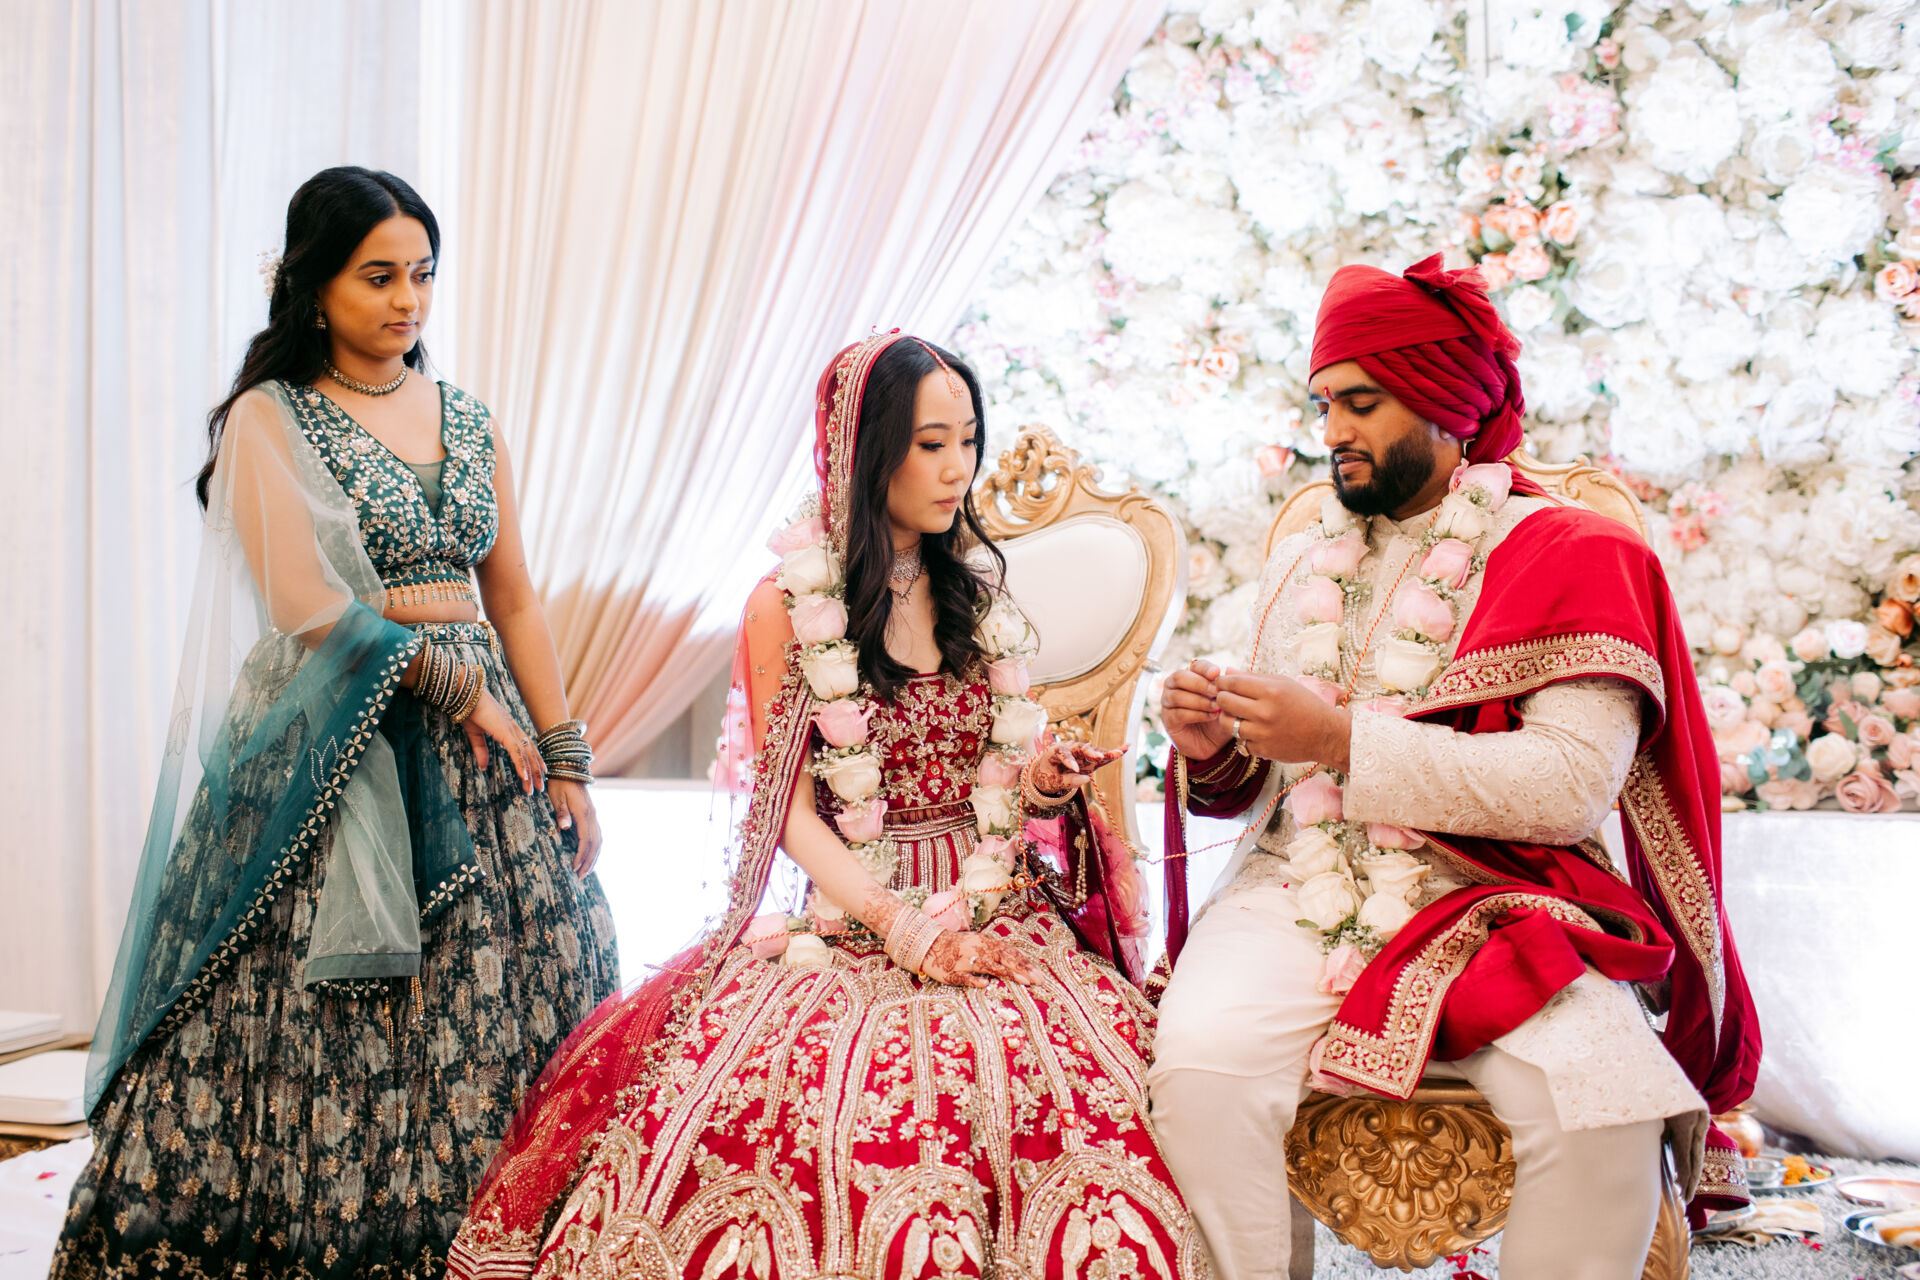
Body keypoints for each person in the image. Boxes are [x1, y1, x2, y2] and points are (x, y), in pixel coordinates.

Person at [448, 332, 1202, 1279]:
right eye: (932, 444)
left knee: (1094, 1104)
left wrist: (1044, 780)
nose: (959, 469)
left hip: (992, 912)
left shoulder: (973, 590)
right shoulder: (787, 605)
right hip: (851, 916)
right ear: (866, 449)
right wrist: (904, 929)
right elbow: (791, 814)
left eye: (968, 440)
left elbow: (994, 771)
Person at [52, 167, 619, 1279]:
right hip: (338, 731)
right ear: (315, 286)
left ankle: (516, 1237)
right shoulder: (271, 417)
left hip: (488, 742)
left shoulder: (468, 418)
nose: (408, 299)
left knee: (522, 980)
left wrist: (563, 755)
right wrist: (456, 691)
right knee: (341, 1013)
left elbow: (513, 597)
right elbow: (303, 602)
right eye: (378, 276)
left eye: (422, 274)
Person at [1147, 256, 1761, 1280]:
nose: (1334, 429)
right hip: (1293, 891)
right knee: (1202, 1071)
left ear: (1446, 404)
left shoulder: (1574, 553)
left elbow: (1567, 788)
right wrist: (1213, 744)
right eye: (1325, 404)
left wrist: (1342, 738)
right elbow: (1263, 786)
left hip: (1498, 896)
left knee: (1604, 1109)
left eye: (1362, 403)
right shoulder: (1305, 558)